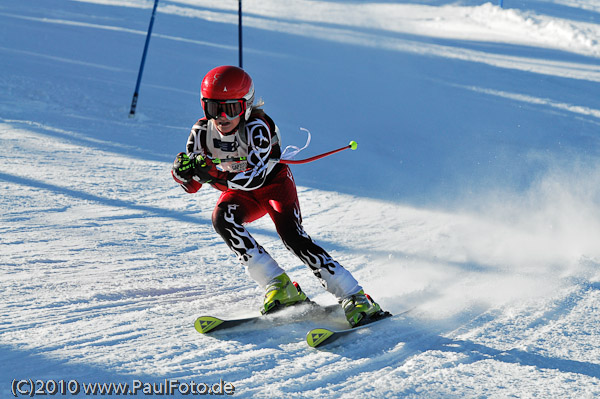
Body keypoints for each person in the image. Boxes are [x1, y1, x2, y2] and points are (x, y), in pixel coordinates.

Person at [171, 65, 387, 327]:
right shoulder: (201, 133)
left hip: (274, 187)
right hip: (241, 194)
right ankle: (278, 285)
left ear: (247, 106)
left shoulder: (258, 128)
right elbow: (193, 186)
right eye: (213, 108)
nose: (222, 117)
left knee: (293, 237)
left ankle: (355, 297)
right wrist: (183, 174)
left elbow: (256, 177)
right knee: (222, 219)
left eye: (231, 108)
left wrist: (212, 175)